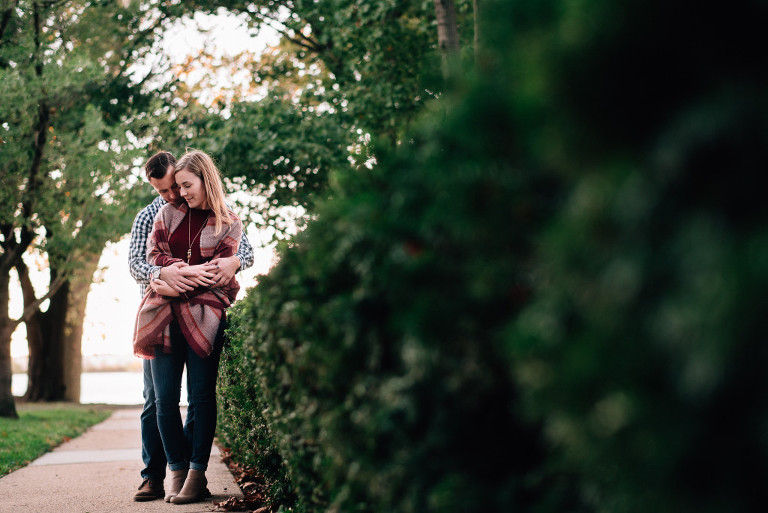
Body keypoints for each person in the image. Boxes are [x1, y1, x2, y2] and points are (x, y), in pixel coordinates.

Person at [128, 150, 254, 501]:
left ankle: (194, 476)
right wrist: (164, 275)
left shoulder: (226, 218)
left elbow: (236, 258)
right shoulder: (156, 214)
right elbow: (144, 260)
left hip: (204, 314)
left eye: (182, 185)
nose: (176, 194)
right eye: (167, 189)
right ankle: (161, 474)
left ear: (200, 178)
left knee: (200, 398)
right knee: (158, 401)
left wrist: (204, 271)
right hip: (160, 312)